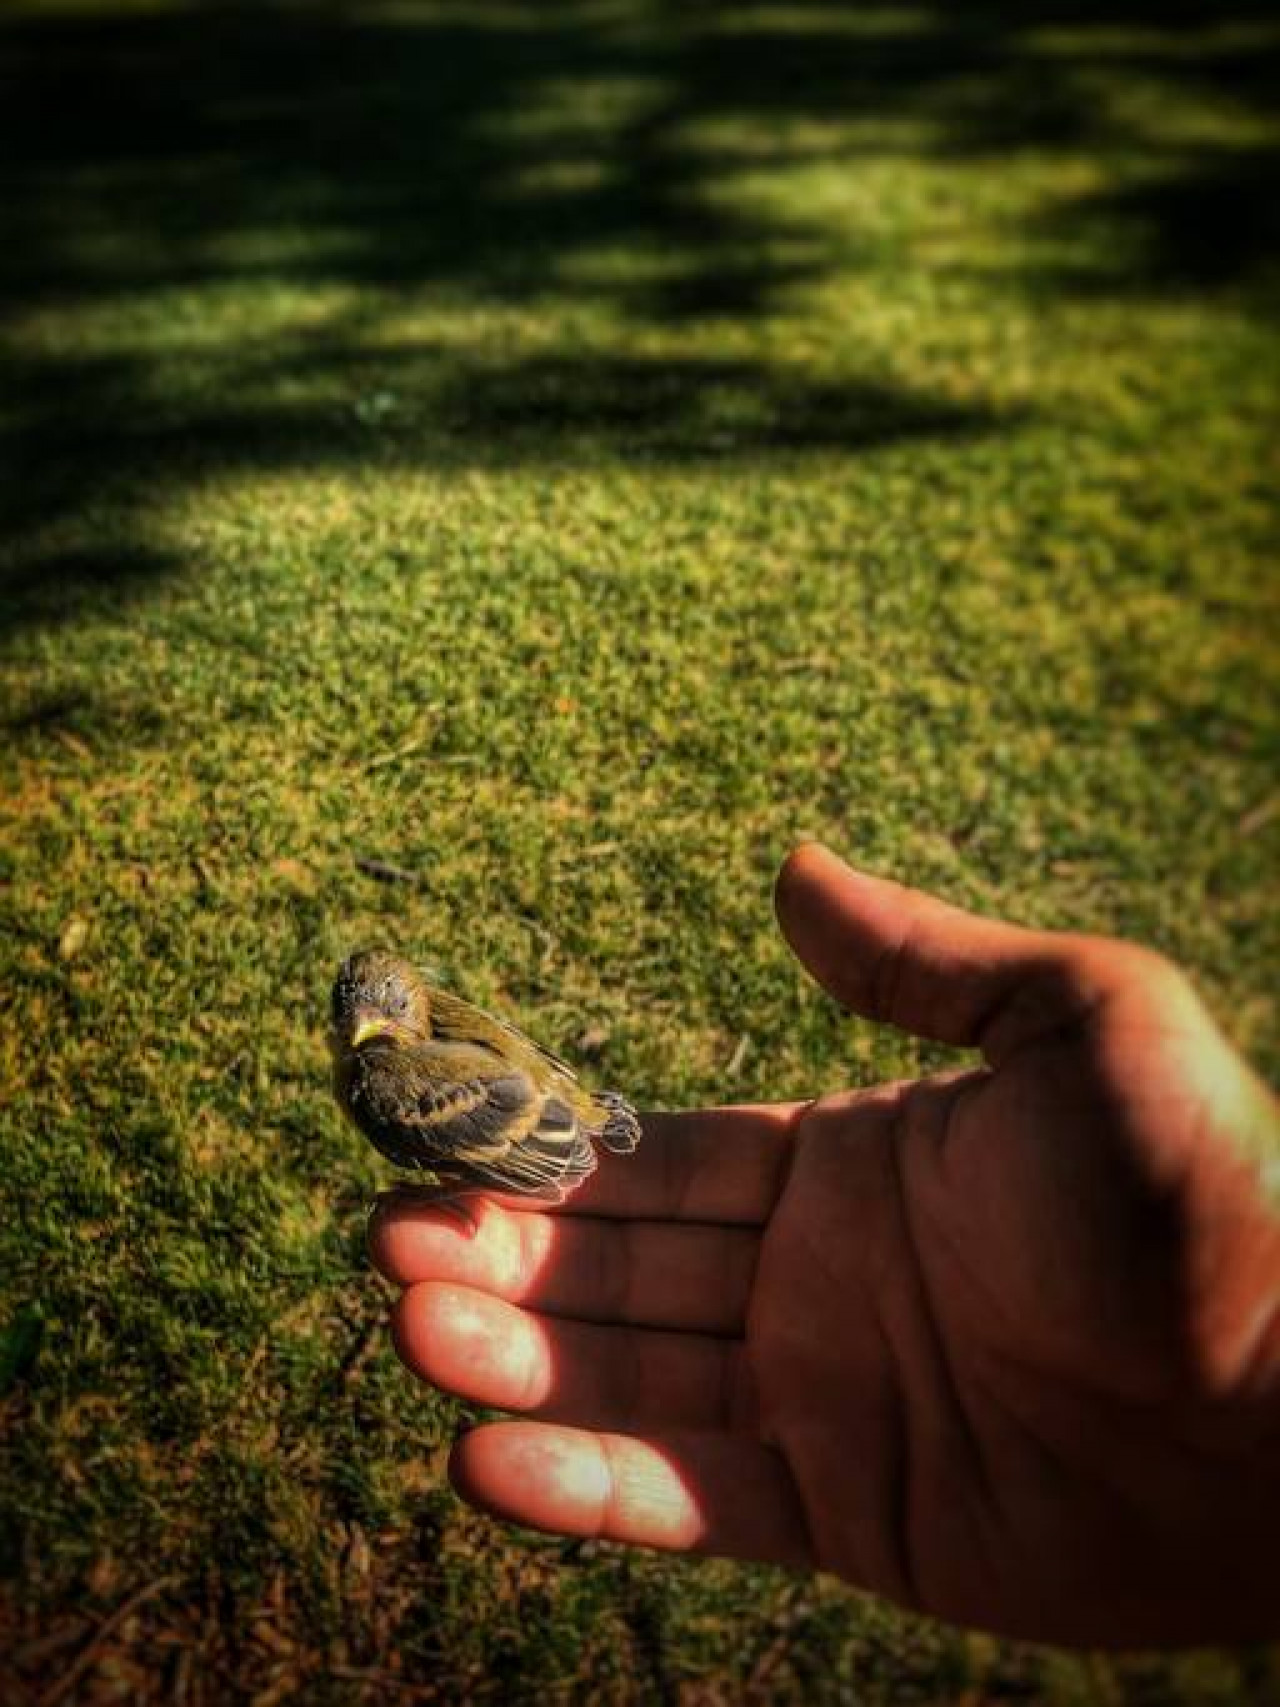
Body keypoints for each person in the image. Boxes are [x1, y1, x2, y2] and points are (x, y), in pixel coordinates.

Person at [369, 843, 1280, 1649]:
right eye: (357, 1021)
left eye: (380, 1016)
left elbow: (508, 1121)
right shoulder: (405, 1054)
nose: (368, 1036)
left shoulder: (400, 1075)